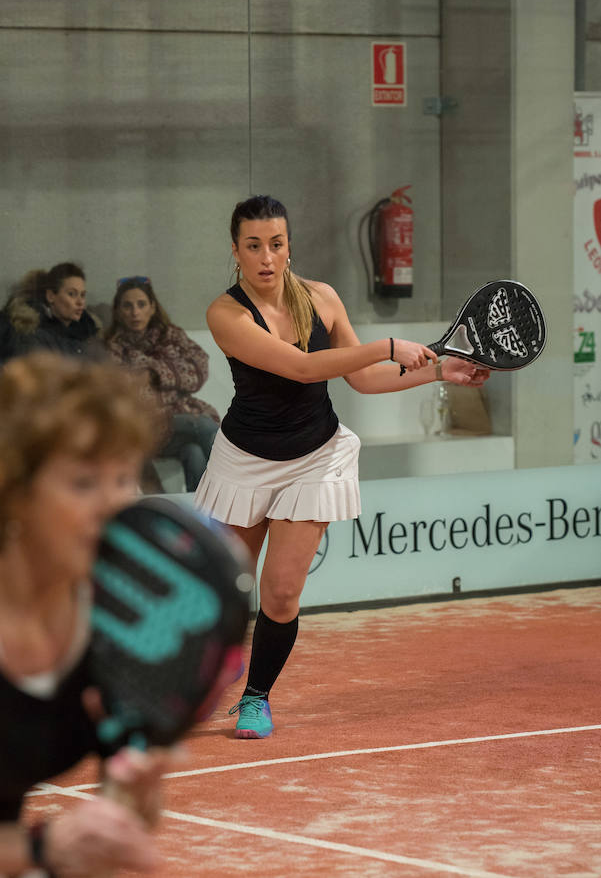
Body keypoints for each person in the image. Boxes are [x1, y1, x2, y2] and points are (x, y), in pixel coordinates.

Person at [194, 194, 490, 740]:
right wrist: (387, 344)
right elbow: (305, 368)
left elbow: (363, 379)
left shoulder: (321, 298)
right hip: (243, 460)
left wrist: (440, 371)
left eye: (276, 245)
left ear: (290, 247)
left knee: (281, 593)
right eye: (253, 246)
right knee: (223, 592)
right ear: (235, 251)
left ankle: (256, 699)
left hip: (316, 456)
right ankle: (211, 671)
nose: (266, 257)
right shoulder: (226, 313)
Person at [0, 352, 171, 876]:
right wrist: (40, 850)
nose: (113, 506)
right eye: (83, 482)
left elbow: (129, 814)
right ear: (14, 491)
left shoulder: (116, 625)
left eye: (123, 479)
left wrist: (132, 793)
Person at [104, 276, 220, 492]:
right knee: (205, 427)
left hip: (178, 428)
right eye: (127, 306)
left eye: (141, 304)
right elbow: (128, 392)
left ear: (152, 307)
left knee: (193, 452)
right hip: (145, 426)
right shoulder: (114, 348)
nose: (135, 312)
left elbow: (199, 369)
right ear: (118, 311)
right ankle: (227, 501)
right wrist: (175, 375)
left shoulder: (171, 335)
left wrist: (155, 373)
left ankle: (200, 517)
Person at [0, 262, 101, 362]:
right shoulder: (33, 333)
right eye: (72, 294)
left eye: (83, 295)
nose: (80, 302)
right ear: (51, 296)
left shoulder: (88, 330)